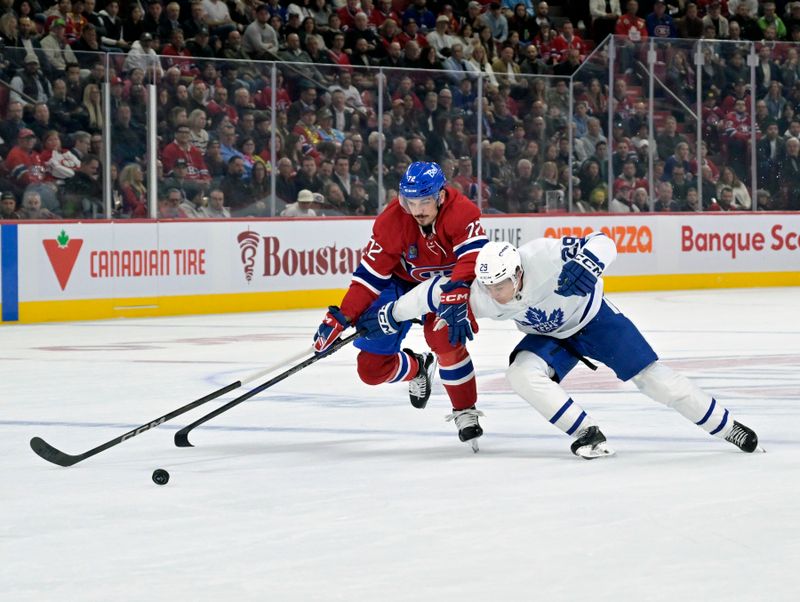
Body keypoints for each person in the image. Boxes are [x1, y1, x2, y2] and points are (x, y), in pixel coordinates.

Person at [362, 238, 761, 458]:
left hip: (596, 320)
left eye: (502, 284)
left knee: (655, 382)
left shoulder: (543, 255)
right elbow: (428, 294)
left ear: (518, 271)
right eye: (488, 286)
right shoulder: (483, 293)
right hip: (554, 336)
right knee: (520, 373)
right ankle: (586, 432)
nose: (495, 294)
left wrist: (590, 263)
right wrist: (389, 315)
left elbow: (604, 242)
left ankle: (727, 427)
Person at [312, 161, 489, 448]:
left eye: (425, 201)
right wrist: (341, 317)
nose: (417, 210)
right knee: (370, 370)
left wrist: (458, 288)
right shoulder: (392, 221)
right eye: (410, 202)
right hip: (399, 286)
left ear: (441, 196)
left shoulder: (463, 212)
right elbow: (369, 276)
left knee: (443, 338)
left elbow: (473, 256)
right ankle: (418, 367)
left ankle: (465, 411)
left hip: (447, 287)